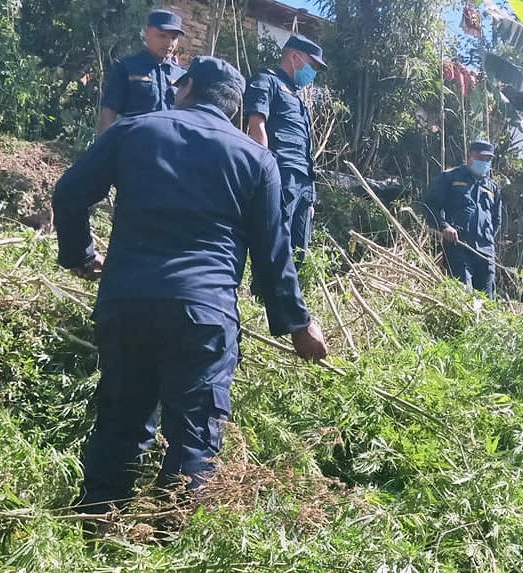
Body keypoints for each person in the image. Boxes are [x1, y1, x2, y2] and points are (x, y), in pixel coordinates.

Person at [53, 56, 328, 515]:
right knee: (194, 436)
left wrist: (79, 256)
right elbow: (272, 253)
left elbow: (68, 194)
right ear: (236, 108)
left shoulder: (134, 130)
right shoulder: (257, 159)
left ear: (187, 90)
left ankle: (96, 528)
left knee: (120, 422)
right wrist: (297, 324)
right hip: (204, 311)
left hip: (127, 301)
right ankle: (169, 539)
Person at [244, 34, 327, 265]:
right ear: (294, 57)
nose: (313, 73)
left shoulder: (298, 99)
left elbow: (305, 147)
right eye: (312, 66)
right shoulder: (266, 81)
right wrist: (264, 175)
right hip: (281, 174)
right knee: (275, 244)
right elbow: (256, 127)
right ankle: (265, 296)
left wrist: (311, 195)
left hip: (303, 182)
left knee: (299, 250)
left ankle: (292, 296)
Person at [423, 140, 502, 297]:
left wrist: (487, 240)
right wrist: (444, 226)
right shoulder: (450, 177)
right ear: (469, 157)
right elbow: (430, 206)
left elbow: (496, 220)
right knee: (463, 297)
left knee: (487, 302)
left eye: (487, 160)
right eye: (480, 158)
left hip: (485, 253)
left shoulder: (492, 188)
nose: (484, 163)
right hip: (458, 247)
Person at [96, 10, 187, 134]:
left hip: (168, 148)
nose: (169, 43)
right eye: (162, 36)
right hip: (133, 145)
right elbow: (109, 112)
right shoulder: (126, 67)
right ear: (147, 33)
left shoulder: (182, 76)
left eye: (174, 38)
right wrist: (104, 148)